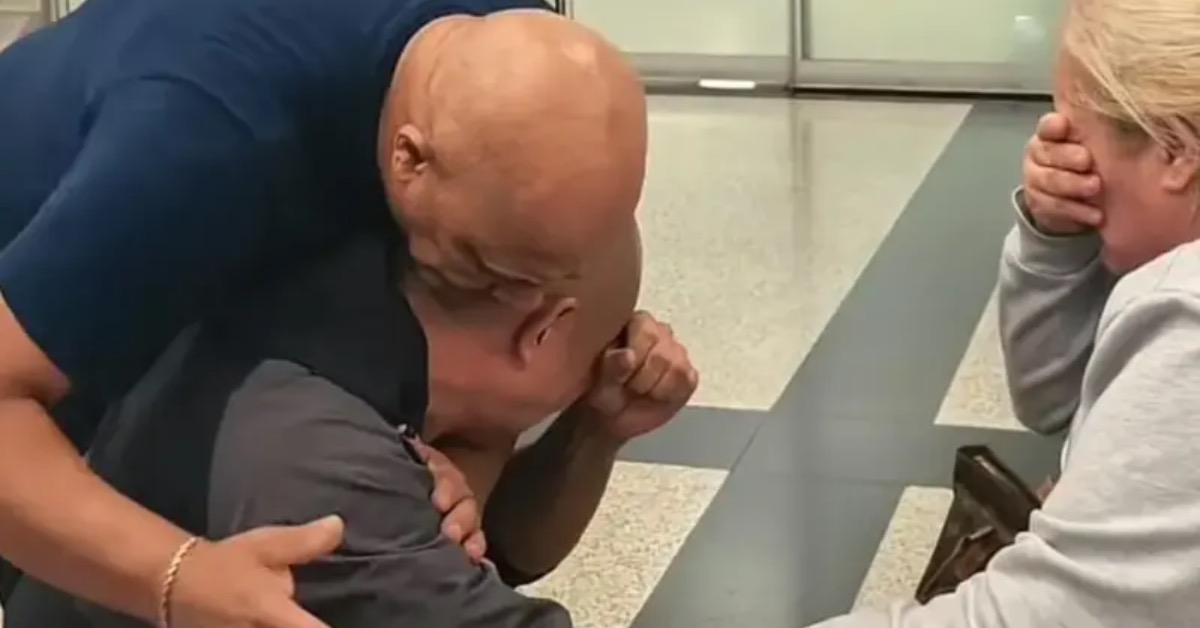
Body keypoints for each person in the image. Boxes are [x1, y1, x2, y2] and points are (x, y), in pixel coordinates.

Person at [0, 0, 647, 623]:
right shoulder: (194, 149)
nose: (523, 308)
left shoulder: (512, 51)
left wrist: (453, 461)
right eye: (489, 272)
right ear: (408, 161)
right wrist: (178, 576)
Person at [4, 219, 696, 627]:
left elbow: (505, 557)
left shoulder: (343, 328)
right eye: (603, 348)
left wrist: (595, 427)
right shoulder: (329, 474)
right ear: (543, 331)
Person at [803, 0, 1200, 626]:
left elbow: (1041, 615)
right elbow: (1052, 400)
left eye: (1075, 132)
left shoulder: (1186, 323)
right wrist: (1055, 238)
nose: (1058, 157)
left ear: (1177, 153)